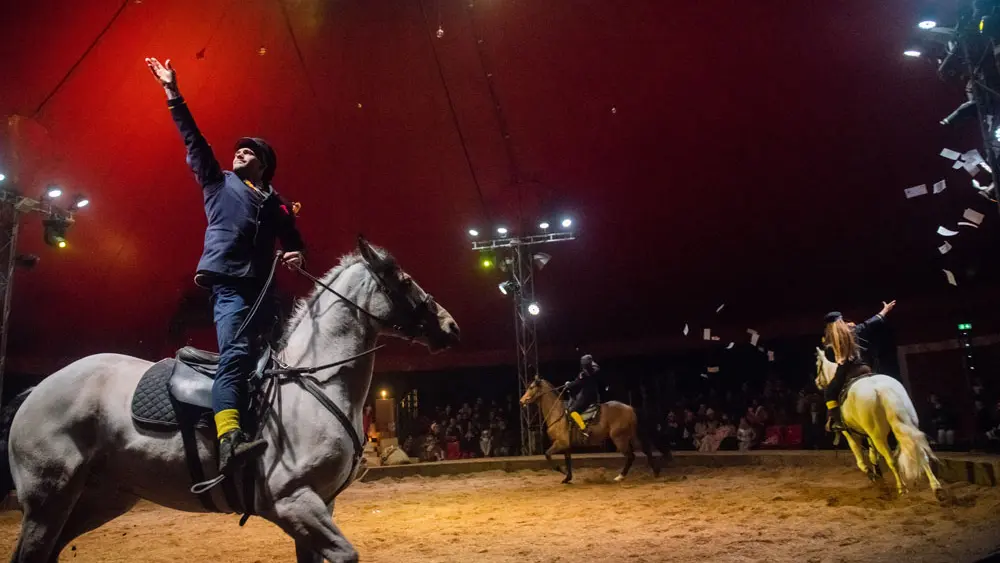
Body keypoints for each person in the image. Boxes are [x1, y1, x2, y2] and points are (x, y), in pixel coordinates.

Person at [145, 57, 306, 475]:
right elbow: (195, 141)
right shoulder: (218, 183)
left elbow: (293, 239)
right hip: (230, 288)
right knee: (234, 356)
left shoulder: (277, 203)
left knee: (273, 359)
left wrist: (296, 253)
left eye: (248, 151)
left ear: (264, 164)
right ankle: (229, 438)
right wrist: (173, 94)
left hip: (264, 292)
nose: (239, 152)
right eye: (238, 149)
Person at [822, 300, 896, 432]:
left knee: (830, 392)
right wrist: (884, 310)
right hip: (865, 368)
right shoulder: (856, 329)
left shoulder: (830, 343)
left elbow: (830, 358)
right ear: (841, 320)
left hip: (847, 372)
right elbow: (871, 323)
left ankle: (837, 421)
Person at [565, 354, 601, 434]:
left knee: (572, 411)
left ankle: (583, 428)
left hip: (587, 396)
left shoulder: (583, 374)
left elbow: (577, 383)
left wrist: (568, 384)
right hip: (595, 394)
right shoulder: (596, 368)